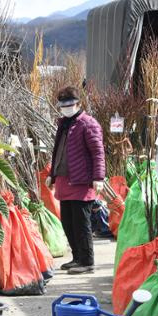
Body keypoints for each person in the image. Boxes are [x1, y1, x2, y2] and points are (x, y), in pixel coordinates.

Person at [46, 86, 105, 275]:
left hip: (82, 182)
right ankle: (77, 257)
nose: (66, 108)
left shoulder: (88, 124)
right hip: (65, 180)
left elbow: (98, 153)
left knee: (81, 224)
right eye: (63, 105)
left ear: (79, 104)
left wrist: (98, 177)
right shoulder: (63, 124)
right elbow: (58, 152)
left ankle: (87, 261)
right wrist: (52, 175)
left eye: (70, 105)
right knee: (68, 223)